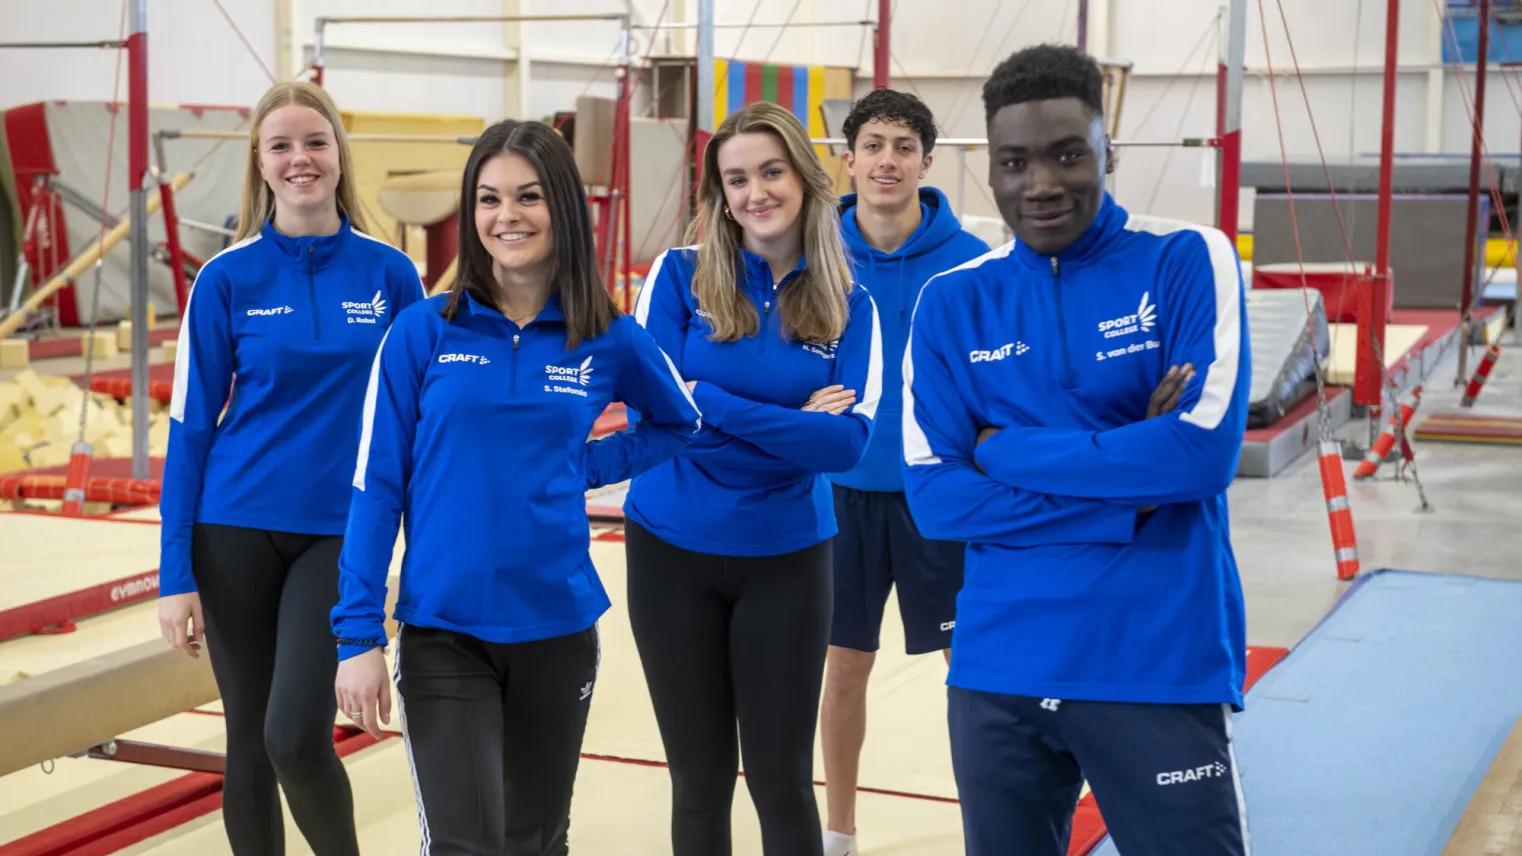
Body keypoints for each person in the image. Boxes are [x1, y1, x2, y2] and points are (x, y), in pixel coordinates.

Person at [901, 43, 1252, 856]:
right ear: (989, 169)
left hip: (1156, 658)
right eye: (1014, 162)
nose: (1042, 184)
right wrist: (1134, 477)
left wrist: (1006, 451)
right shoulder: (953, 302)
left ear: (1109, 152)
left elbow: (1198, 456)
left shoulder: (1187, 261)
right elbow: (937, 499)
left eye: (1068, 154)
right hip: (999, 667)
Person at [330, 118, 700, 856]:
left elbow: (678, 422)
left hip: (556, 630)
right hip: (444, 629)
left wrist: (583, 468)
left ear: (562, 206)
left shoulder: (607, 336)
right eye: (490, 199)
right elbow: (376, 487)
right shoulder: (422, 332)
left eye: (528, 196)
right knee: (467, 845)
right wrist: (357, 635)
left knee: (536, 841)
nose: (508, 216)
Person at [155, 80, 425, 856]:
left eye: (315, 142)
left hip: (337, 533)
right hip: (231, 526)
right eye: (281, 146)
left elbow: (414, 416)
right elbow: (189, 430)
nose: (299, 158)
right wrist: (175, 573)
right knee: (248, 740)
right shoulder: (227, 279)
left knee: (295, 737)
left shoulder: (389, 275)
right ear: (260, 164)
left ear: (339, 156)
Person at [623, 100, 883, 856]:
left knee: (778, 778)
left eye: (771, 171)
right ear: (720, 194)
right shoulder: (676, 278)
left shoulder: (848, 302)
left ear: (804, 177)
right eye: (736, 179)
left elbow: (845, 448)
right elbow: (655, 406)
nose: (755, 193)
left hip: (787, 558)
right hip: (670, 548)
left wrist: (709, 401)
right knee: (699, 781)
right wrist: (790, 420)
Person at [817, 88, 991, 856]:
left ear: (926, 160)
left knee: (972, 671)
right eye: (874, 145)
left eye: (904, 147)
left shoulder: (971, 265)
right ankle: (840, 831)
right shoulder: (809, 251)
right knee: (845, 666)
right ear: (847, 160)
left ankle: (990, 823)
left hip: (937, 497)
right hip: (842, 493)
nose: (888, 160)